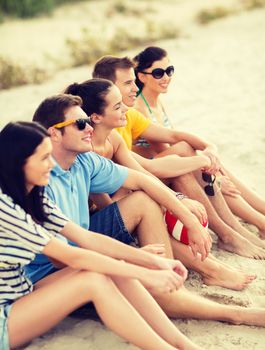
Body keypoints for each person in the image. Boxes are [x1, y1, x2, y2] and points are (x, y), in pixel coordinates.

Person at [29, 93, 265, 327]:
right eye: (81, 124)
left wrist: (189, 220)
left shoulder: (84, 160)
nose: (89, 128)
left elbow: (143, 180)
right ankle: (233, 313)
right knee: (125, 274)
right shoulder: (38, 181)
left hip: (81, 241)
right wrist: (134, 259)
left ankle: (172, 284)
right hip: (48, 273)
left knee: (142, 200)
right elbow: (62, 258)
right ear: (54, 133)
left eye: (88, 122)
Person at [0, 121, 204, 350]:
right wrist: (145, 274)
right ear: (19, 164)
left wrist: (153, 261)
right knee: (95, 279)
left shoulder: (32, 195)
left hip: (22, 295)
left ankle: (182, 344)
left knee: (110, 266)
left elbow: (87, 239)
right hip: (6, 317)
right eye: (43, 158)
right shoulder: (6, 209)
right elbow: (72, 256)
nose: (51, 164)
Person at [64, 77, 256, 291]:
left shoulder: (114, 140)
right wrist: (167, 206)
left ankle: (220, 250)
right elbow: (109, 208)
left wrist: (178, 201)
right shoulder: (85, 151)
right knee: (149, 210)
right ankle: (210, 269)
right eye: (118, 106)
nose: (127, 108)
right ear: (96, 117)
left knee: (161, 196)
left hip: (121, 203)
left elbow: (144, 174)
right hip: (91, 222)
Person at [92, 54, 265, 259]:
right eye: (129, 82)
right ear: (108, 88)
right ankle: (234, 232)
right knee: (189, 164)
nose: (135, 88)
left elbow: (173, 137)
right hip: (124, 195)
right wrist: (201, 165)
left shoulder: (125, 116)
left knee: (192, 157)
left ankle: (238, 229)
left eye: (169, 71)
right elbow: (148, 168)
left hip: (138, 180)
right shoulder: (102, 130)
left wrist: (210, 149)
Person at [133, 46, 265, 240]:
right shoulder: (139, 107)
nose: (166, 77)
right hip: (152, 173)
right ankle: (260, 222)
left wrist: (210, 159)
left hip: (168, 163)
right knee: (209, 172)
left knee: (214, 167)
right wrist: (214, 176)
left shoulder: (157, 101)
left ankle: (261, 214)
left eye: (169, 71)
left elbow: (174, 147)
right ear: (142, 76)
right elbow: (171, 150)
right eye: (159, 73)